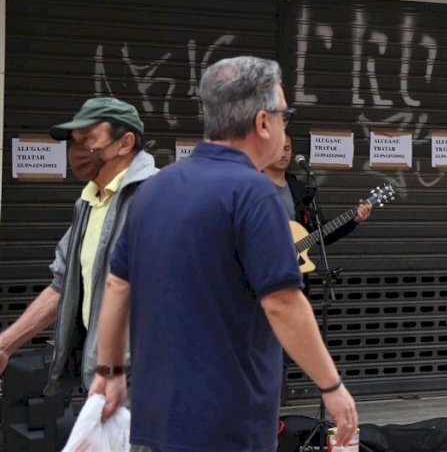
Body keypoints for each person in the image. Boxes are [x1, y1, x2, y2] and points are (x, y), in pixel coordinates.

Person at [89, 56, 357, 451]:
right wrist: (331, 386)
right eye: (284, 114)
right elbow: (283, 302)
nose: (285, 127)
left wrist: (109, 371)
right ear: (264, 122)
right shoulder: (254, 193)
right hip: (228, 421)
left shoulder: (153, 188)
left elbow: (116, 284)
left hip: (155, 414)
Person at [0, 97, 156, 394]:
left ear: (125, 143)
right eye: (75, 141)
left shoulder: (159, 196)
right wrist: (6, 345)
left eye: (88, 139)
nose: (78, 150)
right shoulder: (89, 203)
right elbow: (64, 285)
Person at [262, 134, 372, 245]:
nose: (283, 154)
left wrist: (353, 221)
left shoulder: (300, 190)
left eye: (287, 148)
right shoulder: (251, 186)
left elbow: (321, 234)